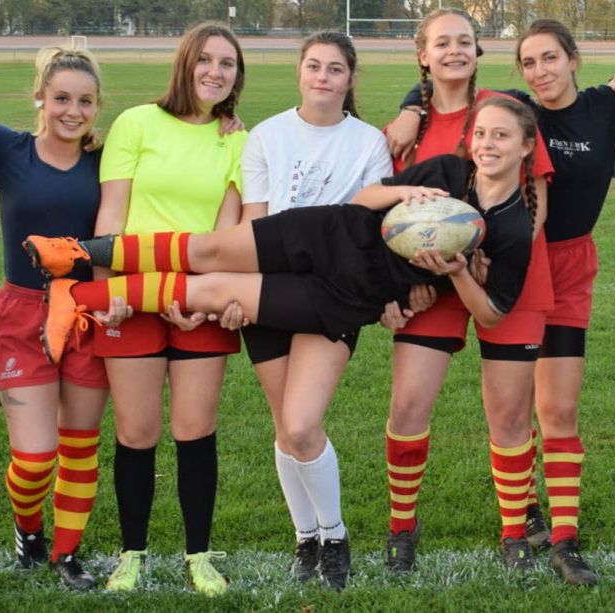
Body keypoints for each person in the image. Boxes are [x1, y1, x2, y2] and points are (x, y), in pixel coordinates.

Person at [378, 8, 557, 573]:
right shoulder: (407, 129)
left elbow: (535, 201)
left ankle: (515, 527)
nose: (455, 51)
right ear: (423, 55)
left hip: (508, 276)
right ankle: (402, 527)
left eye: (466, 41)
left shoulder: (503, 110)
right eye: (442, 43)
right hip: (434, 285)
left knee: (508, 412)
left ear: (479, 51)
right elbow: (391, 219)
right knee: (408, 403)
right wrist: (412, 284)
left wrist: (492, 261)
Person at [85, 21, 247, 596]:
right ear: (185, 63)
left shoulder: (236, 140)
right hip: (131, 298)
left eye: (227, 64)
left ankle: (199, 555)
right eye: (205, 60)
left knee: (194, 428)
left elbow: (228, 233)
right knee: (136, 430)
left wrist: (202, 301)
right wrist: (108, 295)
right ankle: (131, 555)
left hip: (198, 300)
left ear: (237, 76)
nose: (215, 72)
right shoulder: (136, 123)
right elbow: (111, 219)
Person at [237, 30, 391, 588]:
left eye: (334, 69)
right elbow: (253, 226)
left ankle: (335, 533)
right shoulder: (267, 136)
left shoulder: (369, 141)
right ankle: (306, 538)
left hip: (333, 292)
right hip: (269, 290)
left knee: (303, 422)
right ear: (299, 72)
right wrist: (239, 293)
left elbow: (371, 225)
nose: (322, 77)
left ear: (350, 79)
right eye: (313, 66)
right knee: (287, 429)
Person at [0, 47, 109, 590]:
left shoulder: (108, 159)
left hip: (86, 315)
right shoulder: (8, 150)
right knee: (33, 459)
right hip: (23, 315)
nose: (72, 111)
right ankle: (28, 528)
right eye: (61, 99)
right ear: (40, 98)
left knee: (79, 444)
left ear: (98, 106)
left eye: (85, 101)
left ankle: (66, 554)